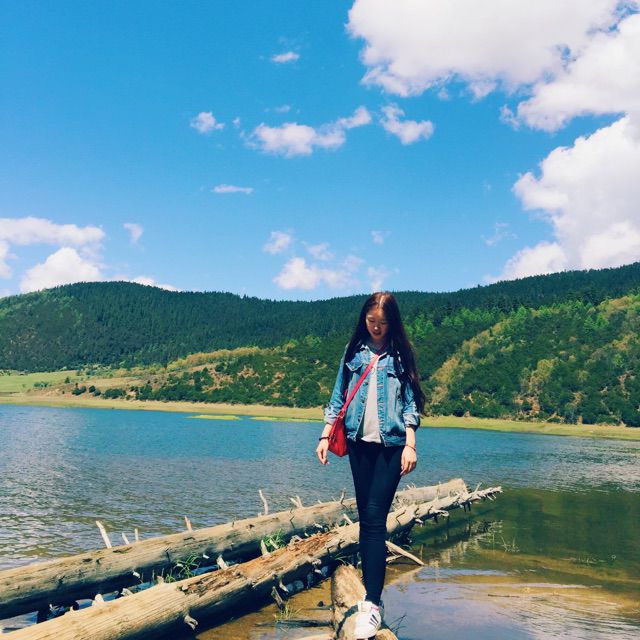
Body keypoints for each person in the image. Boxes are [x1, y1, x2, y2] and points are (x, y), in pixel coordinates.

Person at [316, 291, 426, 639]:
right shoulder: (354, 353)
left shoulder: (401, 354)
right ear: (364, 319)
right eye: (371, 321)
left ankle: (373, 605)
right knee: (366, 519)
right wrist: (324, 436)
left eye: (382, 322)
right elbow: (338, 396)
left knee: (376, 518)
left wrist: (410, 444)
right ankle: (370, 596)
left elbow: (410, 403)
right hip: (358, 445)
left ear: (393, 322)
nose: (376, 327)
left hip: (392, 446)